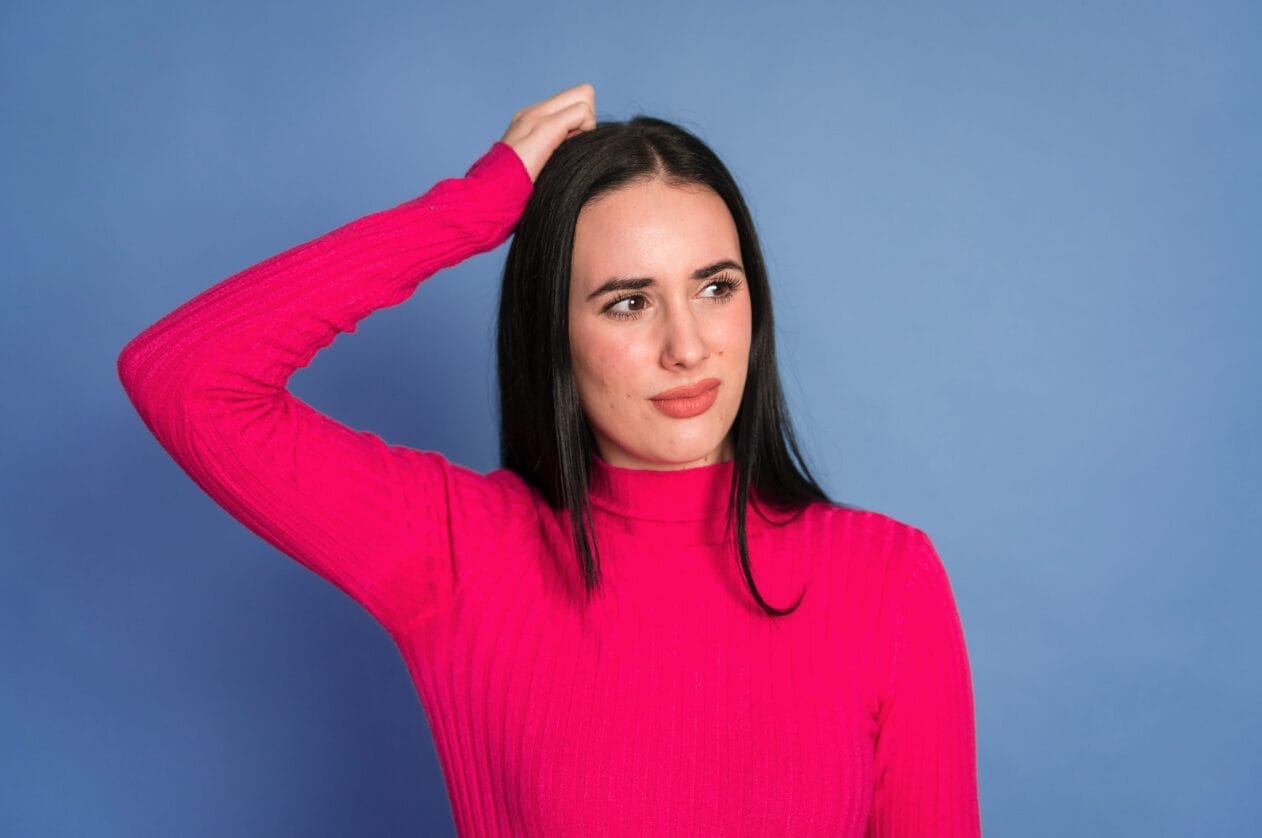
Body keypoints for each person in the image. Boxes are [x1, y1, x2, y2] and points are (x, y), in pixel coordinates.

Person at [118, 83, 980, 835]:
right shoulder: (456, 553)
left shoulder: (887, 578)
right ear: (555, 336)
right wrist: (466, 210)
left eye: (716, 288)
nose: (688, 347)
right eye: (628, 302)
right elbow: (183, 378)